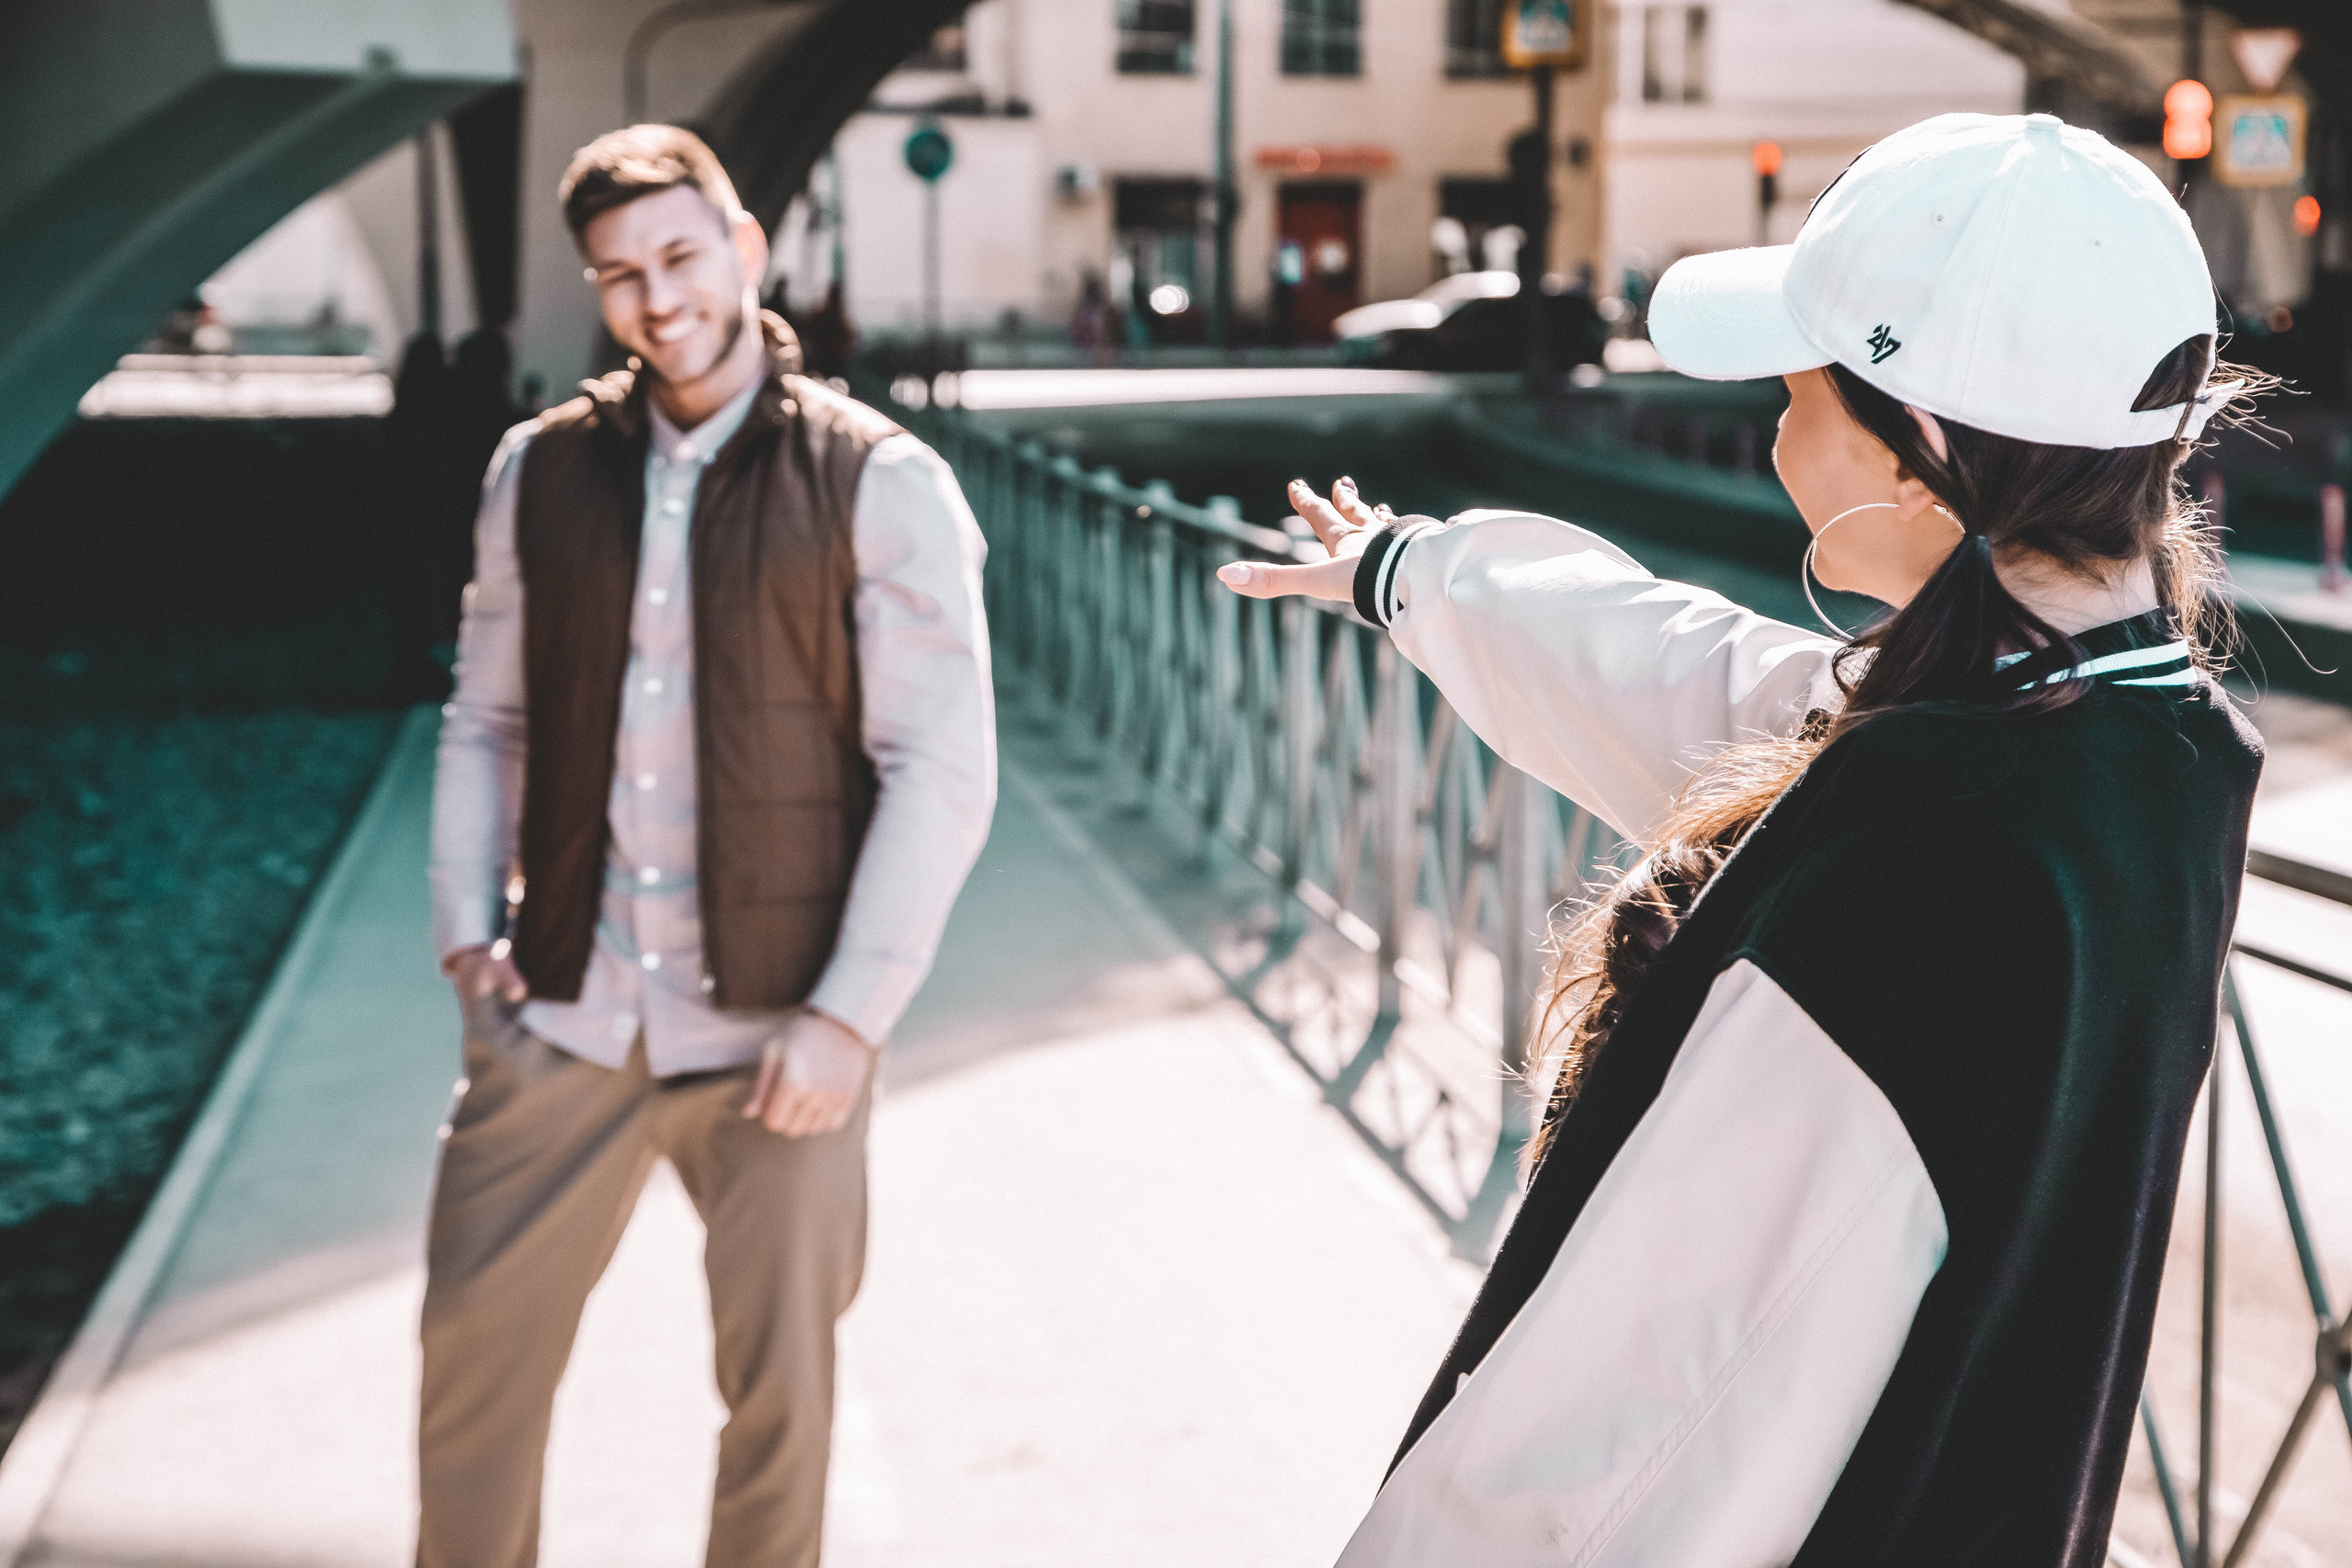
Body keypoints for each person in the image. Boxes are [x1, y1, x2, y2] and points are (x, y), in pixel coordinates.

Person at [1219, 112, 2264, 1566]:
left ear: (1920, 456)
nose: (1774, 432)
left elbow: (1644, 1419)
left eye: (1794, 390)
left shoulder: (1923, 853)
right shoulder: (2141, 736)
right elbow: (1714, 684)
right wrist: (1413, 571)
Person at [424, 124, 994, 1568]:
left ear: (744, 250)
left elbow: (940, 768)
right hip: (564, 1010)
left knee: (780, 1407)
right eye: (621, 274)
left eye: (681, 256)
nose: (659, 298)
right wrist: (466, 937)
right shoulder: (537, 470)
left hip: (780, 1036)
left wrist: (849, 1018)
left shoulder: (878, 479)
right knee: (472, 1381)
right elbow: (485, 717)